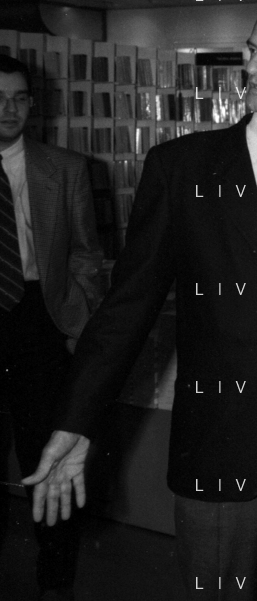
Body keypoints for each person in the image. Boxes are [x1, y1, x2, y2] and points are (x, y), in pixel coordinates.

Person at [23, 5, 257, 599]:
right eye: (251, 49)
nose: (254, 65)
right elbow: (127, 307)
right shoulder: (181, 167)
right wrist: (78, 421)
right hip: (218, 438)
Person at [0, 54, 104, 600]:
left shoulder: (64, 168)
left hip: (40, 320)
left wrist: (79, 323)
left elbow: (86, 253)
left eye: (19, 98)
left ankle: (55, 584)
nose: (9, 109)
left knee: (49, 455)